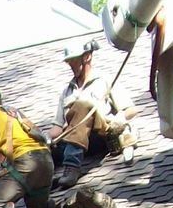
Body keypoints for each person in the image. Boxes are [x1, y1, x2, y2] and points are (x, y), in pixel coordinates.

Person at [50, 42, 138, 188]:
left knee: (82, 105)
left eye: (74, 60)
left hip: (98, 136)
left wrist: (118, 120)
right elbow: (57, 128)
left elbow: (131, 109)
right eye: (69, 61)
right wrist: (41, 139)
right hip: (70, 142)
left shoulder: (104, 81)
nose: (70, 64)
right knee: (34, 149)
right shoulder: (67, 91)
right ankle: (40, 185)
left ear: (87, 57)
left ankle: (71, 167)